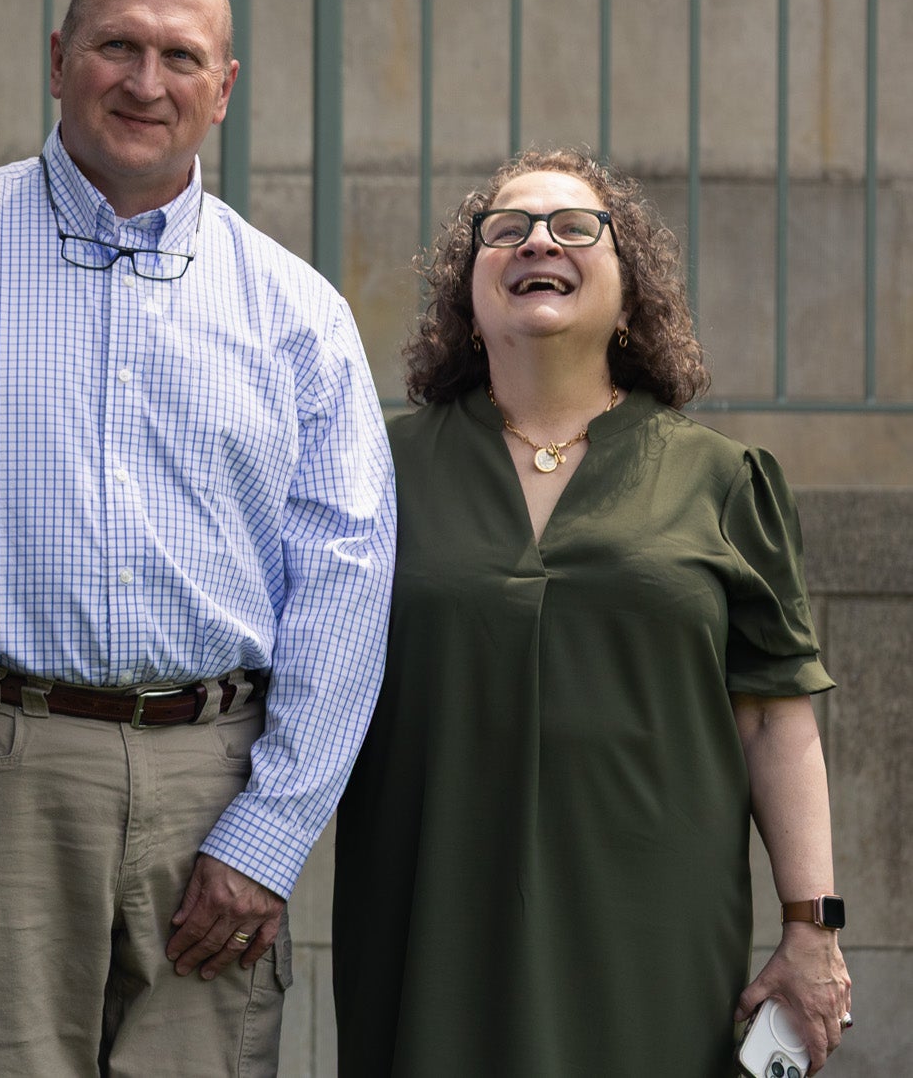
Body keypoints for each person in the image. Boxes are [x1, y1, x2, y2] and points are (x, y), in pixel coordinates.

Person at [0, 0, 396, 1077]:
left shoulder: (296, 313)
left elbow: (346, 589)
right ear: (60, 57)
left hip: (211, 784)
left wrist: (269, 834)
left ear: (225, 86)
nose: (145, 81)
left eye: (179, 54)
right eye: (117, 45)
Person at [332, 150, 851, 1077]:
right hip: (435, 926)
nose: (539, 240)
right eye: (507, 228)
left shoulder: (722, 481)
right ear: (468, 287)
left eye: (576, 228)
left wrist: (812, 928)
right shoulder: (378, 469)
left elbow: (776, 716)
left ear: (629, 284)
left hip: (654, 937)